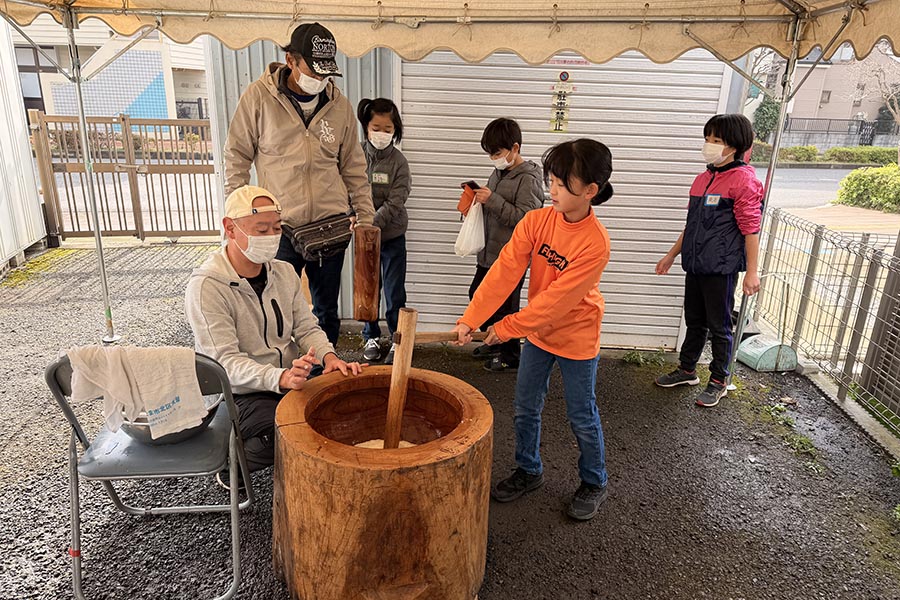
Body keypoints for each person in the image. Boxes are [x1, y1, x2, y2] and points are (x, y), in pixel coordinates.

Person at [452, 139, 614, 521]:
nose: (551, 190)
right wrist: (471, 319)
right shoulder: (536, 221)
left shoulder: (596, 243)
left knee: (581, 414)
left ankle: (594, 480)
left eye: (561, 184)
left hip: (576, 336)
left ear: (589, 191)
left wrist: (507, 328)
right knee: (526, 406)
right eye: (551, 180)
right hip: (539, 334)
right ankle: (529, 470)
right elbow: (504, 271)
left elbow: (557, 301)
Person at [185, 185, 365, 489]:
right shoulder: (207, 287)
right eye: (261, 229)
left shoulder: (283, 272)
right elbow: (224, 363)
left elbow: (307, 328)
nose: (271, 236)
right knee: (287, 429)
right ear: (230, 228)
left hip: (289, 377)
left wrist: (330, 358)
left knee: (345, 402)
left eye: (277, 228)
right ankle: (234, 464)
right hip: (239, 392)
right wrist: (279, 377)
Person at [223, 22, 375, 347]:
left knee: (326, 311)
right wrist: (236, 216)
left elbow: (354, 167)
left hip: (330, 226)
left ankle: (325, 377)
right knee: (274, 307)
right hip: (279, 228)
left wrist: (365, 217)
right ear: (290, 60)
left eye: (325, 74)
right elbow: (236, 156)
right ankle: (282, 376)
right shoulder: (259, 97)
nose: (319, 80)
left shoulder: (339, 106)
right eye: (313, 71)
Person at [653, 113, 764, 408]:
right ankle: (687, 370)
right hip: (696, 263)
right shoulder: (702, 179)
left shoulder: (744, 181)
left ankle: (719, 380)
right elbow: (691, 224)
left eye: (717, 140)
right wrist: (671, 255)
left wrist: (752, 272)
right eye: (707, 139)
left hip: (721, 267)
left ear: (735, 145)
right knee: (695, 320)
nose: (709, 145)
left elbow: (751, 229)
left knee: (720, 326)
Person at [467, 118, 544, 372]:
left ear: (515, 147)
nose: (494, 159)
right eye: (490, 154)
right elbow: (494, 206)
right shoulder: (499, 171)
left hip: (513, 256)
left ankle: (510, 355)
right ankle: (494, 340)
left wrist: (493, 200)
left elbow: (528, 219)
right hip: (489, 251)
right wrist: (474, 203)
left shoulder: (529, 178)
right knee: (477, 295)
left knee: (507, 306)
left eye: (498, 153)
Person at [357, 98, 411, 365]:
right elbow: (347, 190)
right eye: (376, 127)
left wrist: (371, 223)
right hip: (362, 238)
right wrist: (357, 220)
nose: (382, 133)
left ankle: (396, 339)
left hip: (391, 237)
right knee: (367, 290)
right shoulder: (354, 156)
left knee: (394, 291)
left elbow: (397, 200)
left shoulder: (399, 162)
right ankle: (370, 336)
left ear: (395, 129)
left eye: (387, 129)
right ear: (366, 127)